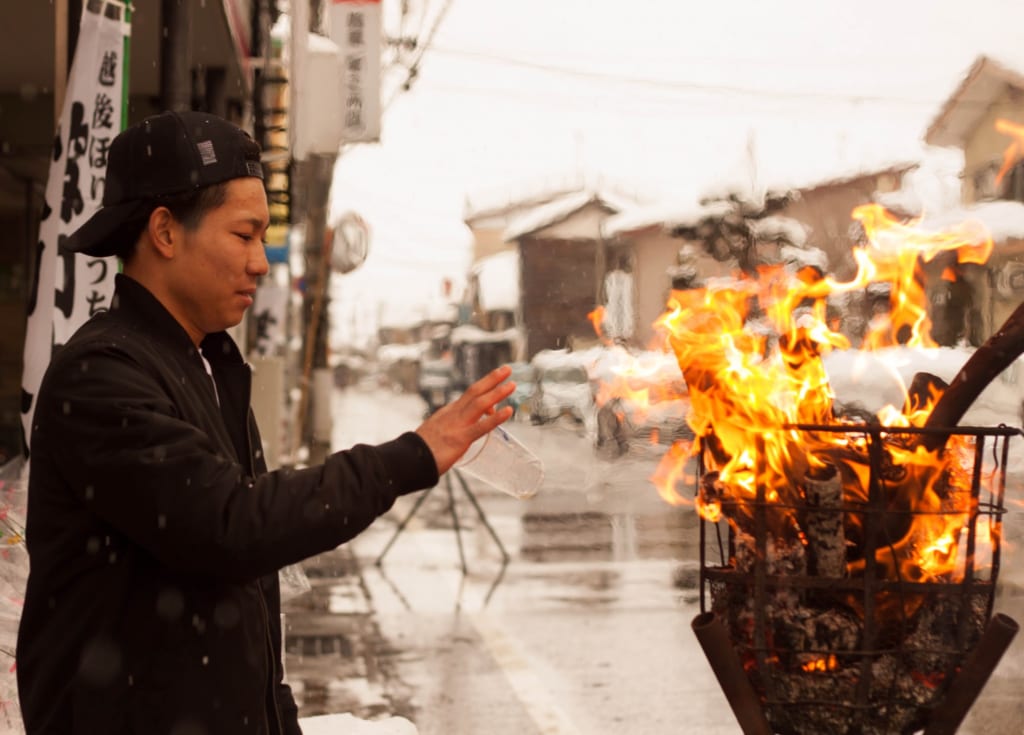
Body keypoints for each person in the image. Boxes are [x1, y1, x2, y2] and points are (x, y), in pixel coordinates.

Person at [15, 110, 515, 735]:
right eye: (244, 235)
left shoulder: (206, 363)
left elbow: (247, 589)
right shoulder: (102, 372)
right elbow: (233, 525)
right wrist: (413, 454)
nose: (261, 263)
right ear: (165, 232)